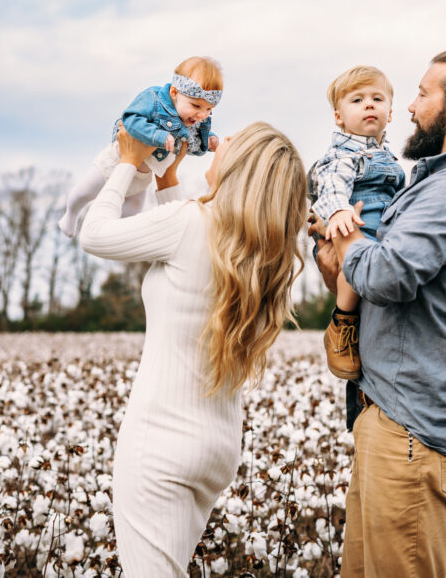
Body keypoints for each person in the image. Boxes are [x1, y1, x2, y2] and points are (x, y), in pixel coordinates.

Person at [312, 48, 446, 576]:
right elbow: (370, 274)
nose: (408, 107)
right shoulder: (432, 183)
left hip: (412, 428)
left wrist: (349, 237)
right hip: (387, 414)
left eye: (423, 93)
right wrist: (337, 256)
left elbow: (387, 275)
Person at [80, 121, 307, 576]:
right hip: (216, 448)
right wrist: (166, 181)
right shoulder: (262, 253)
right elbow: (192, 257)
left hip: (159, 443)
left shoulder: (189, 224)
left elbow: (94, 234)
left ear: (240, 169)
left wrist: (126, 163)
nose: (217, 142)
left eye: (231, 143)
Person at [308, 65, 405, 380]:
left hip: (387, 230)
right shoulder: (342, 155)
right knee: (355, 267)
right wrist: (338, 212)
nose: (369, 105)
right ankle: (342, 322)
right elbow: (332, 184)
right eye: (358, 100)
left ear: (390, 113)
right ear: (339, 117)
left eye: (378, 99)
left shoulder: (390, 157)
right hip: (354, 227)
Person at [58, 56, 223, 237]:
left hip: (143, 175)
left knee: (131, 216)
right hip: (116, 162)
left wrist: (208, 141)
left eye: (209, 109)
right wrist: (157, 135)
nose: (202, 114)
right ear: (175, 93)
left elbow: (189, 143)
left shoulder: (192, 119)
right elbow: (130, 119)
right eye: (196, 105)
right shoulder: (153, 99)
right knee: (83, 193)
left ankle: (115, 244)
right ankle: (71, 215)